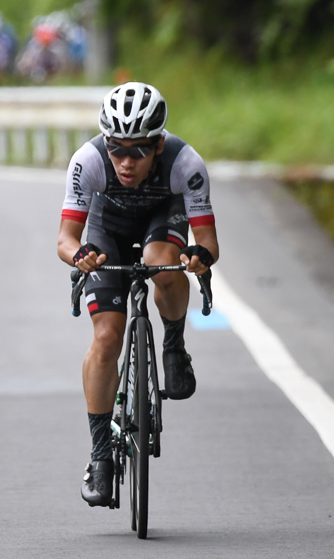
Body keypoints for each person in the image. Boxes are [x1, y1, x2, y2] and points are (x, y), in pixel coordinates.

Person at [56, 81, 219, 507]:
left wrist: (199, 258)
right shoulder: (88, 161)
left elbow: (208, 243)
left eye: (138, 151)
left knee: (162, 262)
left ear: (159, 145)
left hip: (162, 218)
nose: (126, 162)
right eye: (117, 150)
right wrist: (81, 257)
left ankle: (173, 344)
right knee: (107, 336)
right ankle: (100, 456)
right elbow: (65, 241)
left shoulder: (186, 163)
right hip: (107, 228)